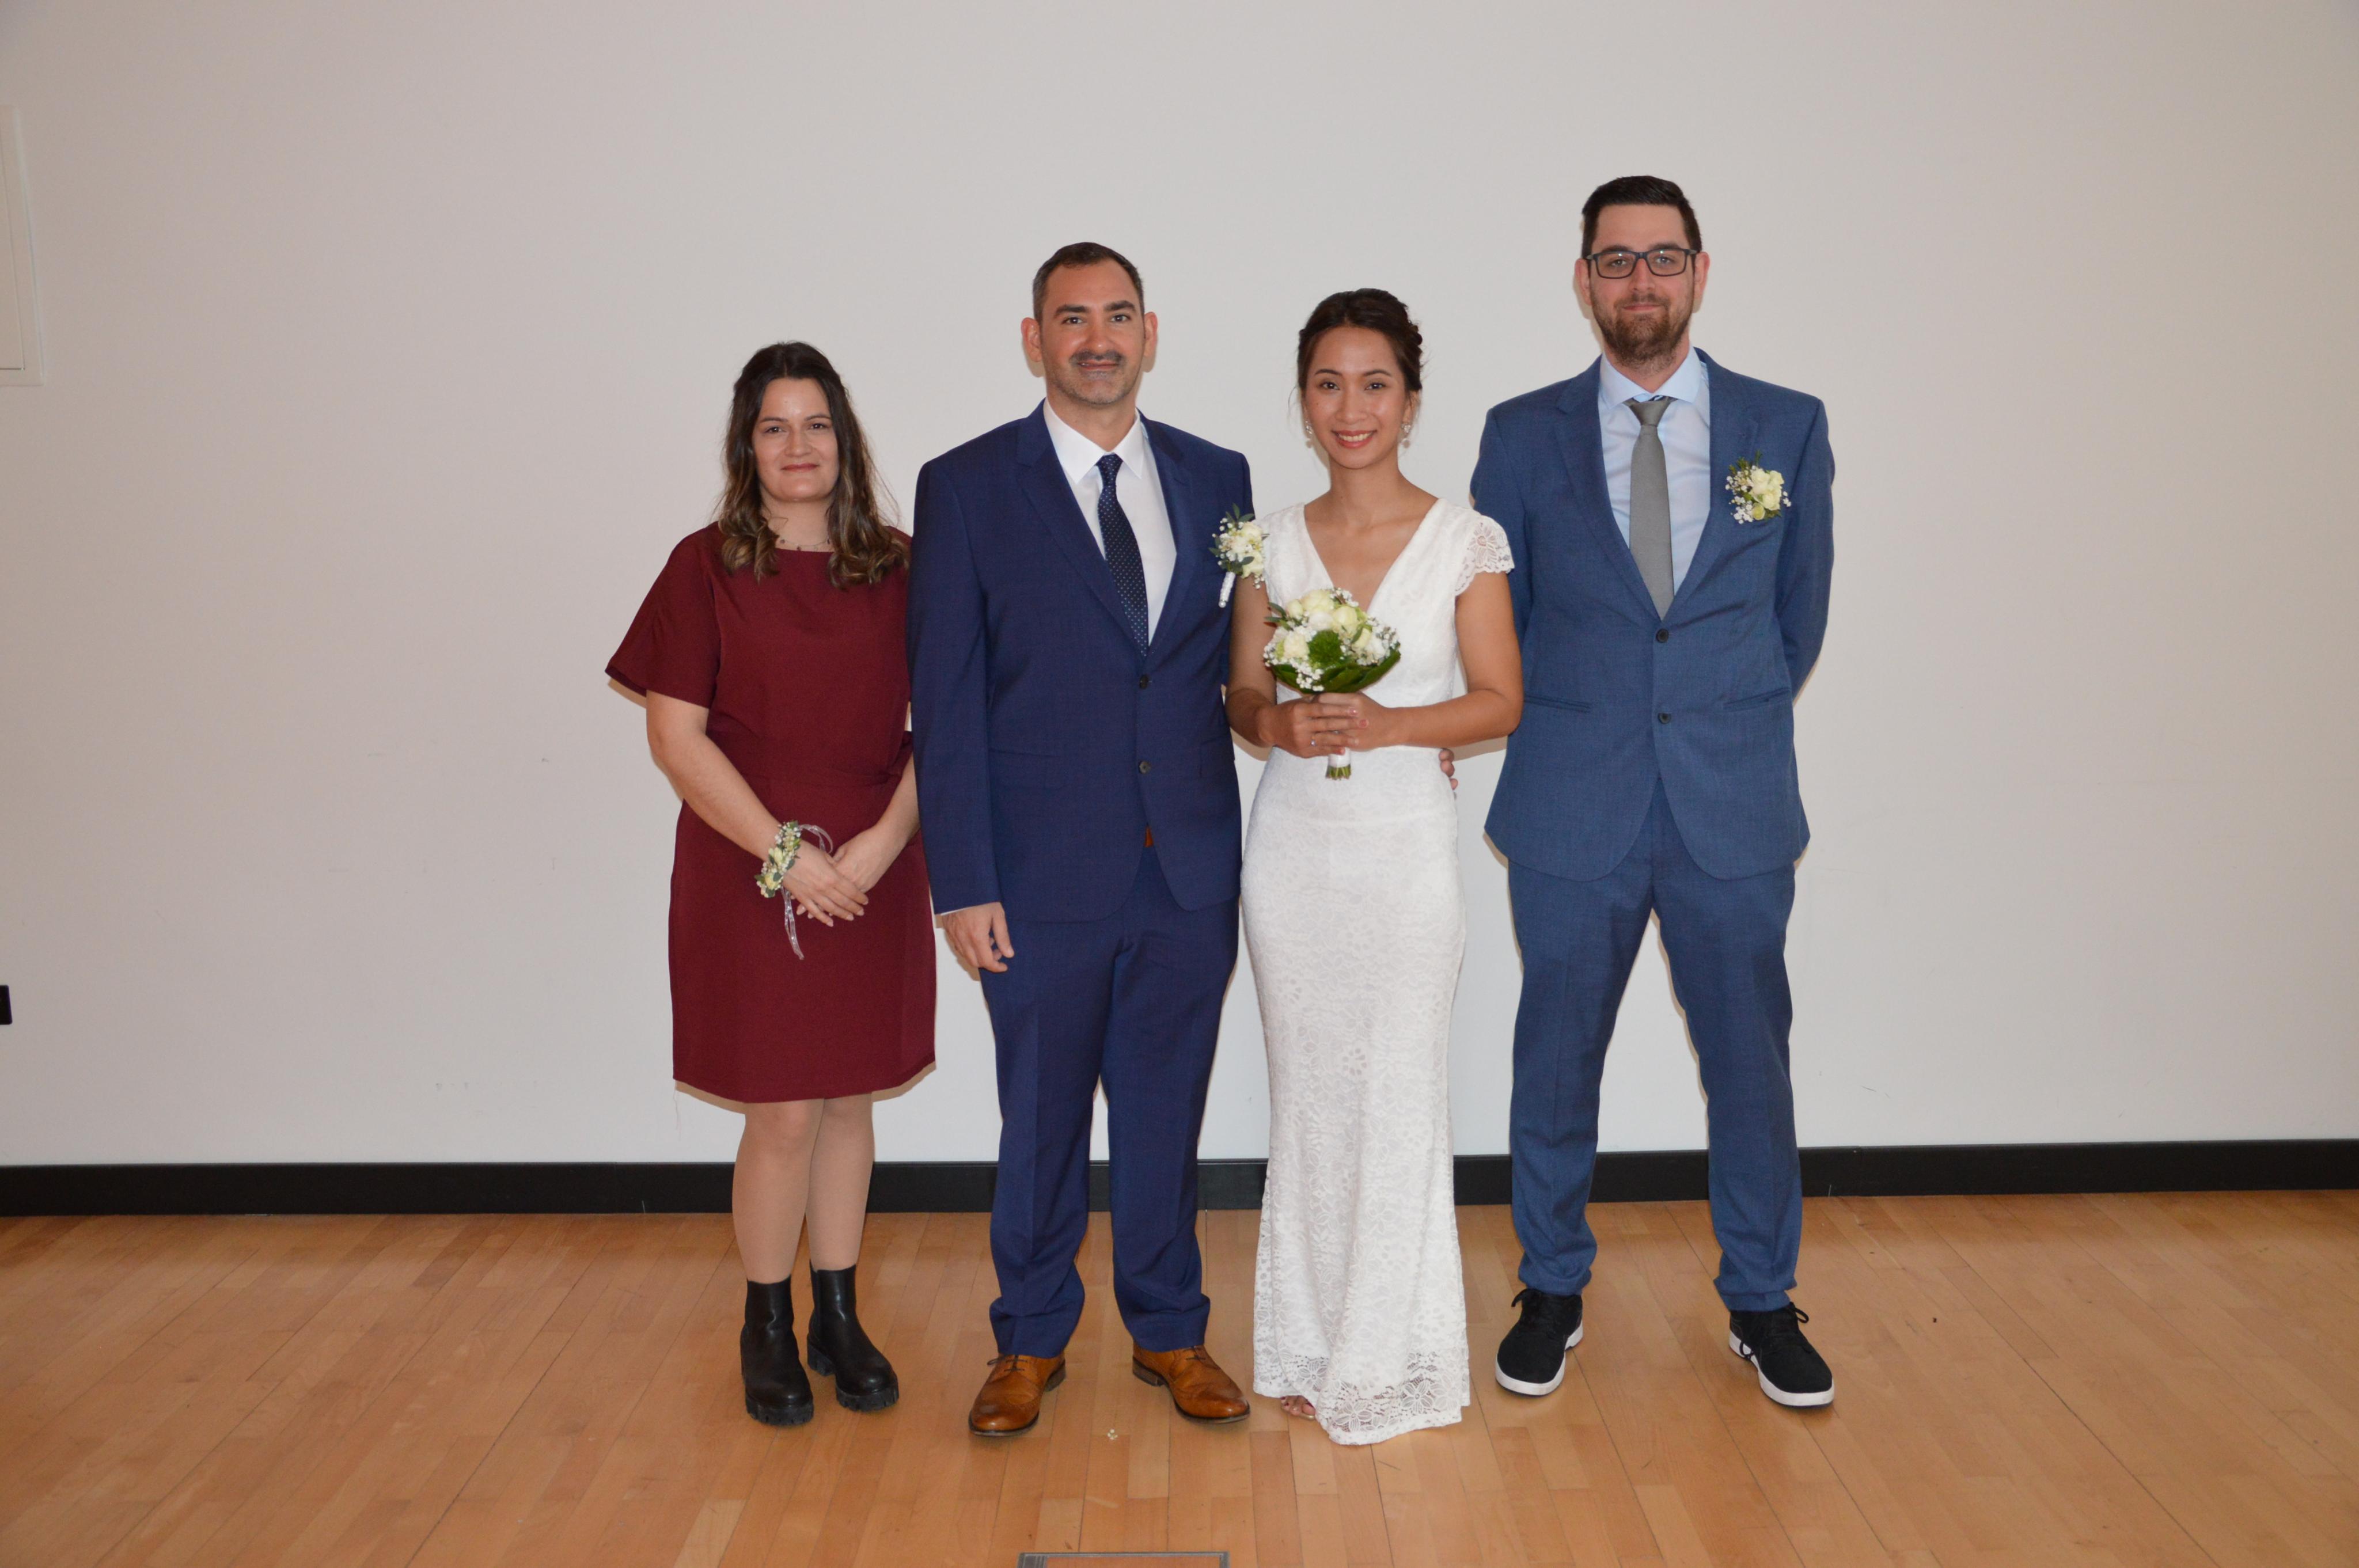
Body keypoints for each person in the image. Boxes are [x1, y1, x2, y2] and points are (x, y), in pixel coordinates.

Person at [1475, 176, 1838, 1408]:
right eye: (1617, 260)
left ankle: (1761, 1299)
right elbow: (1506, 621)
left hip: (1731, 803)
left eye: (1663, 258)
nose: (1641, 282)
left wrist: (1717, 709)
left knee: (1750, 1068)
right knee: (1553, 1059)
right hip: (1571, 800)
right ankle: (1551, 1285)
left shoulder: (1785, 425)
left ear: (1699, 271)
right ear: (1583, 279)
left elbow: (1796, 615)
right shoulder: (1518, 434)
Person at [907, 242, 1256, 1437]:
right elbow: (945, 701)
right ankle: (1028, 1339)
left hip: (1188, 870)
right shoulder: (965, 486)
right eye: (1071, 319)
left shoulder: (1218, 477)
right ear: (1034, 339)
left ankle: (1169, 1331)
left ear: (1150, 334)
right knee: (1041, 1122)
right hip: (1036, 877)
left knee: (1166, 1117)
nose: (1096, 339)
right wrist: (962, 881)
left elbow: (1231, 663)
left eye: (1117, 316)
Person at [608, 341, 934, 1427]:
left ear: (847, 440)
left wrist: (880, 847)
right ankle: (766, 1323)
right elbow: (676, 736)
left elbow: (949, 725)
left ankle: (838, 1314)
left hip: (875, 862)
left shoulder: (903, 566)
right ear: (746, 447)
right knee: (785, 1113)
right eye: (775, 427)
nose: (800, 446)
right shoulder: (703, 566)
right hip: (749, 868)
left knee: (849, 1101)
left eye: (817, 424)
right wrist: (788, 858)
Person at [1229, 290, 1521, 1444]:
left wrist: (1392, 726)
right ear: (1302, 401)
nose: (1351, 409)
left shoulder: (1466, 540)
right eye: (1328, 384)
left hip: (1404, 855)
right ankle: (1307, 1343)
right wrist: (1276, 724)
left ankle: (1391, 1355)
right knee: (1307, 1098)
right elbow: (1241, 695)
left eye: (1375, 384)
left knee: (1398, 1094)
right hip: (1292, 854)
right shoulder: (1266, 542)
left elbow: (1500, 700)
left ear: (1410, 399)